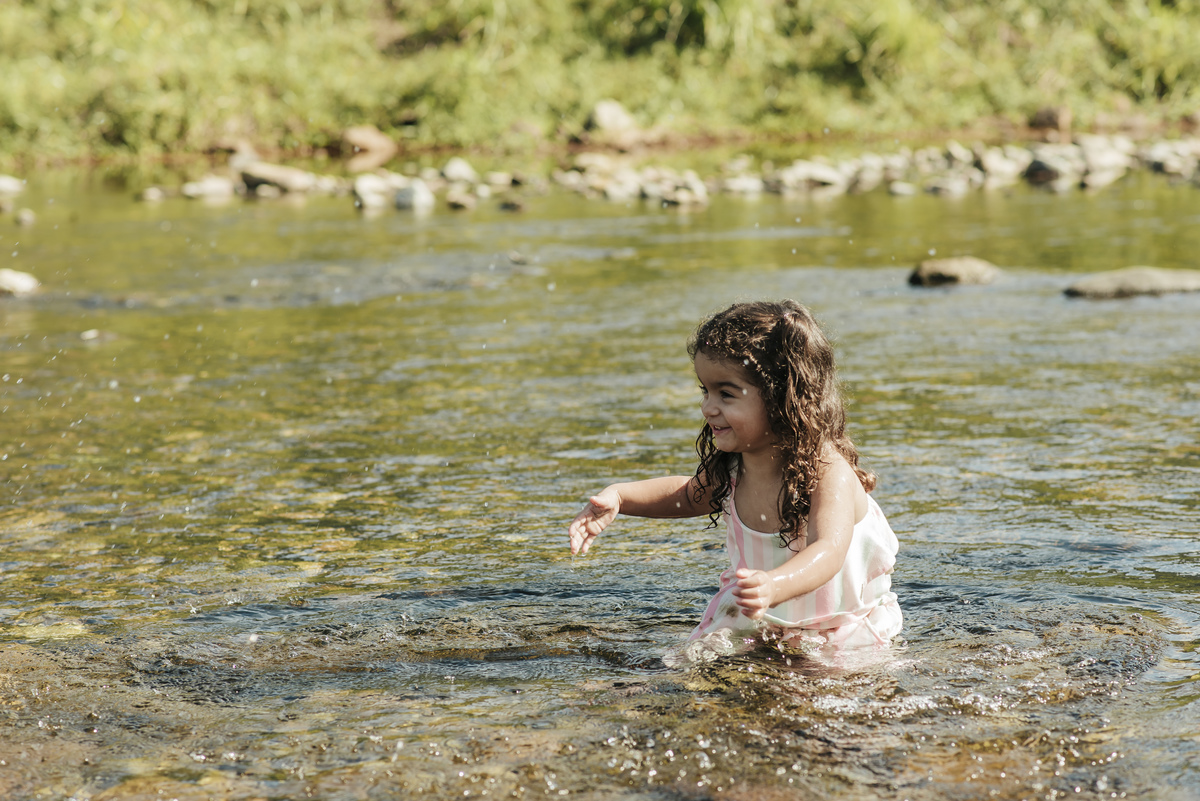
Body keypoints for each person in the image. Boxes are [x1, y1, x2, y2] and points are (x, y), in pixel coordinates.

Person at [567, 300, 902, 660]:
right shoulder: (733, 469)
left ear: (783, 398)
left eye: (725, 394)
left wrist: (774, 584)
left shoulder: (827, 472)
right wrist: (621, 497)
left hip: (839, 623)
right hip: (758, 614)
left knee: (826, 682)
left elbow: (828, 552)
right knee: (684, 664)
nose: (708, 407)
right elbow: (686, 495)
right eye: (705, 391)